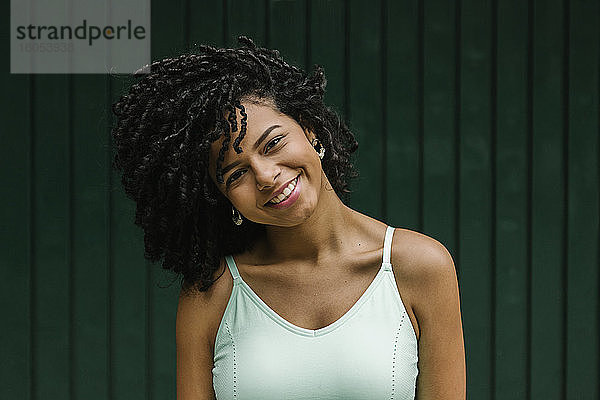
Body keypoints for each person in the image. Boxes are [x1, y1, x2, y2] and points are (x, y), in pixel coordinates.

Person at [111, 36, 465, 400]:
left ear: (309, 130)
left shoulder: (419, 266)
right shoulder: (213, 291)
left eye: (273, 143)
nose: (265, 176)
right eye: (236, 174)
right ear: (222, 198)